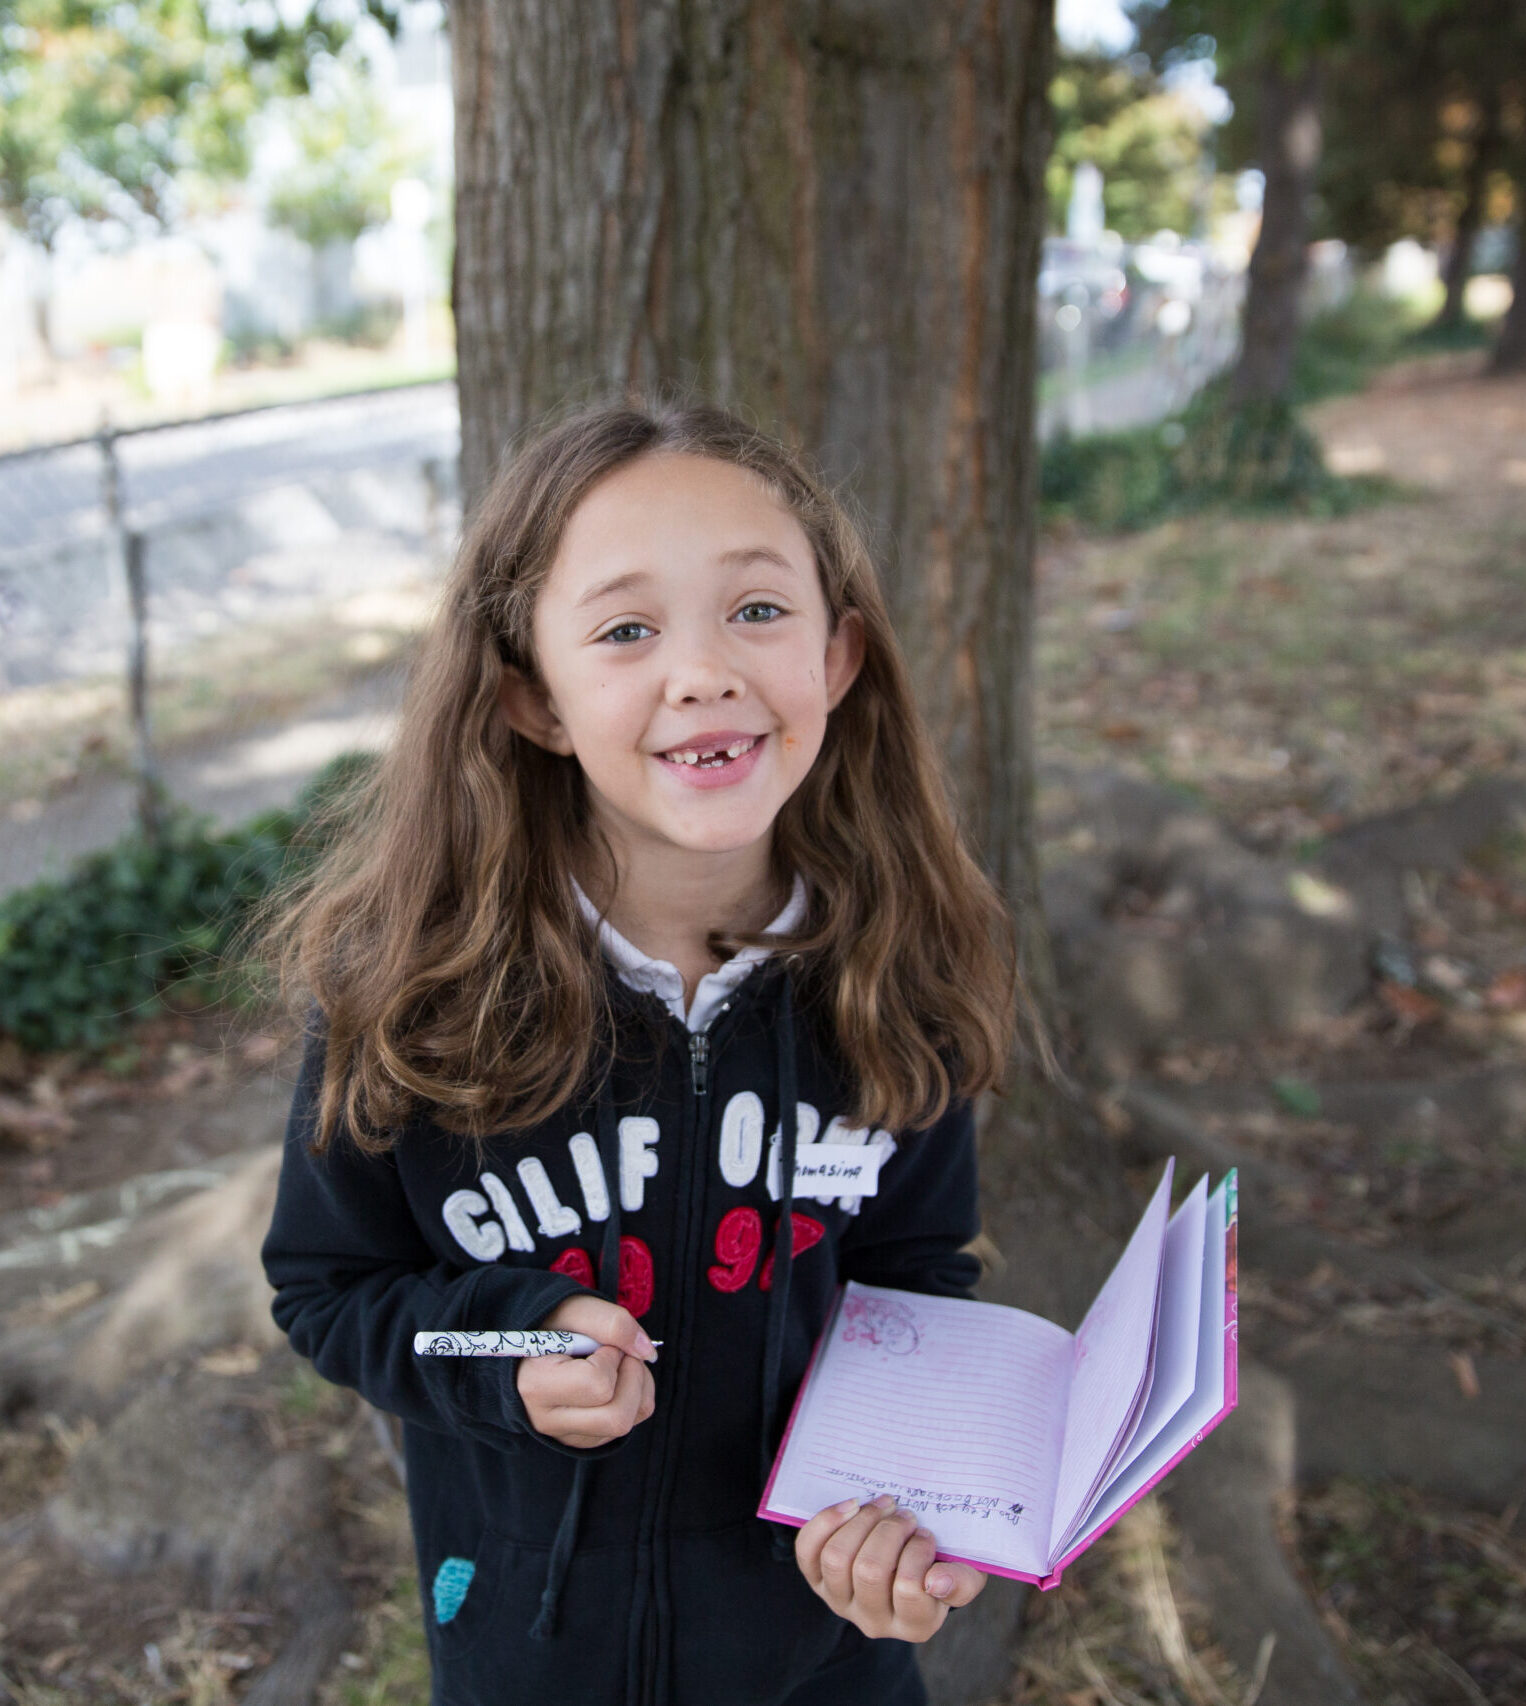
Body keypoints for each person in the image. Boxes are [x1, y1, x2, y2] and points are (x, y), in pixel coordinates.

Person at [260, 399, 1038, 1706]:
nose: (704, 671)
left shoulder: (903, 969)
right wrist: (507, 1346)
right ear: (533, 698)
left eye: (758, 610)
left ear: (839, 656)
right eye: (626, 630)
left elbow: (914, 1274)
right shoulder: (414, 989)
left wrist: (906, 1499)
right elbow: (329, 1291)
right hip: (532, 1654)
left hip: (824, 1657)